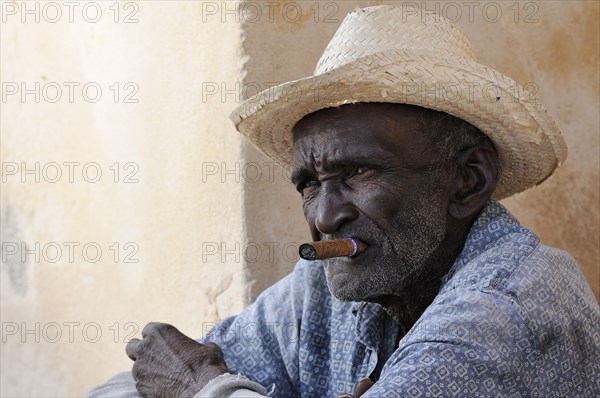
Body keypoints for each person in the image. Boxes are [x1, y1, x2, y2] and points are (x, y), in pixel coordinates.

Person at [88, 5, 600, 398]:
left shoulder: (503, 309)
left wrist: (202, 387)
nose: (326, 216)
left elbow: (186, 379)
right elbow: (131, 387)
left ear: (467, 181)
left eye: (358, 171)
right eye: (308, 182)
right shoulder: (333, 283)